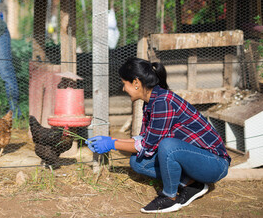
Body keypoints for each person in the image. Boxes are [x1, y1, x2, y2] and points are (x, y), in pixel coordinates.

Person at [86, 57, 231, 214]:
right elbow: (146, 140)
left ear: (136, 83)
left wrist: (111, 144)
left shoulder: (163, 102)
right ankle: (192, 185)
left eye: (124, 83)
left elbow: (147, 147)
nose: (123, 89)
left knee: (167, 146)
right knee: (138, 162)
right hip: (196, 160)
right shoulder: (152, 102)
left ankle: (169, 198)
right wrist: (113, 140)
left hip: (214, 164)